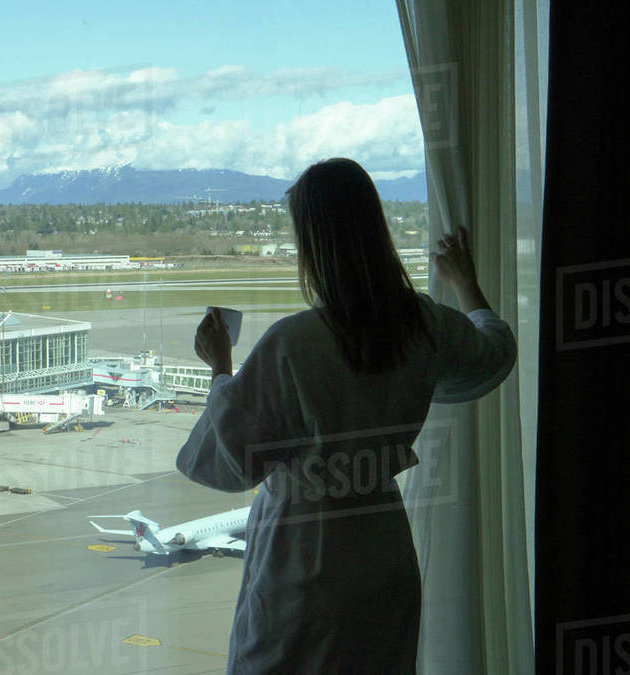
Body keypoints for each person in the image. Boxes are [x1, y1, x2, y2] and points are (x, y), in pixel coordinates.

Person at [176, 157, 516, 673]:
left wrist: (220, 368)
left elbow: (230, 464)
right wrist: (465, 284)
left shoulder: (294, 343)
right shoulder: (424, 325)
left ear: (313, 245)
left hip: (305, 568)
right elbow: (493, 356)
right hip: (383, 555)